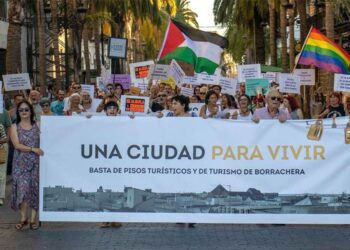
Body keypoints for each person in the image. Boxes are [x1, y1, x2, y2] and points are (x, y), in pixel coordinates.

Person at [10, 100, 44, 230]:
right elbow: (17, 145)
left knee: (34, 189)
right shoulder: (14, 127)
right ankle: (23, 218)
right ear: (18, 113)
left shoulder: (38, 125)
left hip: (36, 162)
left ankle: (33, 219)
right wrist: (33, 149)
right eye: (21, 110)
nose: (24, 112)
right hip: (20, 163)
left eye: (26, 109)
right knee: (22, 190)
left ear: (31, 111)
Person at [0, 123, 8, 206]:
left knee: (1, 175)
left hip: (0, 151)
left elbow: (5, 139)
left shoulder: (0, 126)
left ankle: (0, 197)